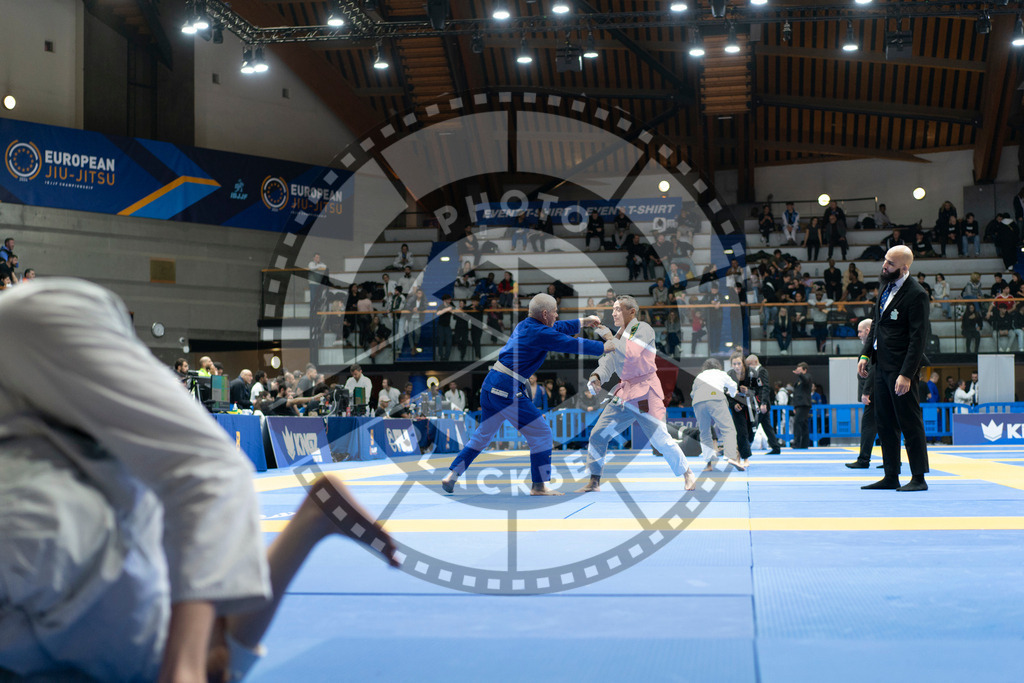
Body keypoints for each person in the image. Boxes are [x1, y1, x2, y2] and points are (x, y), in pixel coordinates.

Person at [0, 279, 397, 682]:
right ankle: (312, 521)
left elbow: (210, 467)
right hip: (55, 573)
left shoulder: (22, 320)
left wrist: (181, 665)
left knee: (203, 667)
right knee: (210, 665)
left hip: (72, 569)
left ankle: (311, 522)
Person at [441, 294, 610, 496]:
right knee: (541, 433)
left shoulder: (526, 326)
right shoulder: (540, 333)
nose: (557, 315)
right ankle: (539, 486)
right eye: (555, 312)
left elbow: (558, 328)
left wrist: (583, 322)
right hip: (506, 388)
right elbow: (569, 343)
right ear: (545, 314)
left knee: (482, 435)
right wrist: (605, 347)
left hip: (491, 384)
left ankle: (452, 474)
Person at [577, 296, 698, 492]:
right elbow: (608, 361)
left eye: (618, 309)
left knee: (660, 439)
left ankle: (687, 473)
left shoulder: (643, 329)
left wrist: (608, 337)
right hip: (624, 394)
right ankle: (594, 480)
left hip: (645, 392)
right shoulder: (617, 335)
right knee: (598, 433)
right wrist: (597, 376)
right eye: (613, 309)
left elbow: (631, 353)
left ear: (631, 312)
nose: (613, 313)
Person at [858, 245, 931, 491]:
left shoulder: (917, 294)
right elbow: (876, 325)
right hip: (881, 365)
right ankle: (891, 475)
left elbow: (917, 339)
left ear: (904, 268)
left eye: (890, 263)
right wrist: (865, 355)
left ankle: (919, 477)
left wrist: (906, 374)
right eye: (885, 261)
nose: (884, 266)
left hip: (901, 369)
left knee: (909, 422)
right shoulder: (886, 287)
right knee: (884, 422)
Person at [690, 357, 742, 471]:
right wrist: (732, 394)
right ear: (718, 366)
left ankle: (709, 464)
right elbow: (733, 386)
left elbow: (692, 393)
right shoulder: (721, 373)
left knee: (704, 432)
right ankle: (731, 456)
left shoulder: (700, 376)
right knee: (728, 429)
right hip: (715, 398)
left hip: (698, 402)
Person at [846, 319, 879, 469]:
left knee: (868, 426)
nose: (858, 334)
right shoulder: (871, 347)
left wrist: (866, 392)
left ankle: (864, 459)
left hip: (874, 395)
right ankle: (893, 460)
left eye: (860, 331)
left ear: (867, 330)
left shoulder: (873, 348)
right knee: (885, 427)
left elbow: (873, 371)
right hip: (877, 393)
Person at [746, 354, 783, 454]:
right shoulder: (755, 372)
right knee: (766, 426)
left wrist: (763, 403)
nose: (748, 366)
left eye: (749, 364)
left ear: (755, 362)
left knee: (754, 425)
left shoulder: (762, 371)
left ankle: (747, 446)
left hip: (761, 404)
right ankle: (775, 447)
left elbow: (765, 387)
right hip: (758, 403)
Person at [727, 350, 755, 469]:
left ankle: (739, 454)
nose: (737, 366)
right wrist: (733, 405)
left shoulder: (751, 373)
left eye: (739, 363)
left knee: (750, 433)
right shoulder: (729, 375)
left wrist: (748, 391)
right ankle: (744, 458)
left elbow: (759, 390)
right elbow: (726, 394)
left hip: (751, 406)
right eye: (734, 364)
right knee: (741, 432)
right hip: (737, 407)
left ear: (743, 363)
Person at [791, 362, 812, 449]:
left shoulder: (807, 376)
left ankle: (797, 443)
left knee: (797, 423)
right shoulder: (799, 380)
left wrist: (800, 374)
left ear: (805, 370)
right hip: (799, 404)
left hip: (804, 404)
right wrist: (795, 406)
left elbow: (805, 381)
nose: (798, 370)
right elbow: (796, 393)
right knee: (803, 424)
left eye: (800, 369)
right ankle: (804, 444)